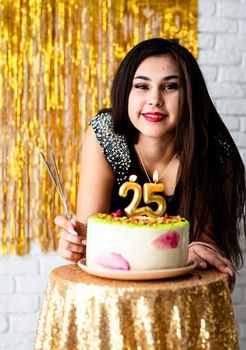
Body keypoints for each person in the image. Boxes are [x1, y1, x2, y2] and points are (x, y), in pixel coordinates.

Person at [55, 38, 245, 288]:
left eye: (170, 87)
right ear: (126, 92)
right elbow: (91, 236)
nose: (155, 99)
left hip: (179, 292)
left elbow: (208, 243)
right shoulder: (105, 134)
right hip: (113, 289)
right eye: (142, 86)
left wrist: (202, 249)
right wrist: (76, 242)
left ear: (190, 95)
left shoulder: (215, 149)